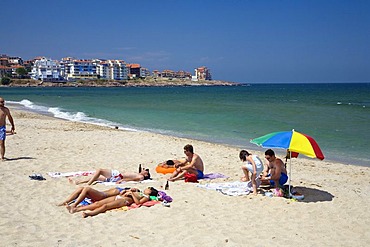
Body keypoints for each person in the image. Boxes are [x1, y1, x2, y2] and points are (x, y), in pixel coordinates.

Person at [68, 187, 158, 218]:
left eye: (149, 188)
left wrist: (132, 195)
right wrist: (127, 191)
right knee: (97, 204)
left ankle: (90, 214)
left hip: (124, 201)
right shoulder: (140, 191)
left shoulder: (146, 197)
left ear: (150, 192)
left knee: (105, 206)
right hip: (119, 196)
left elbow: (138, 203)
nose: (147, 188)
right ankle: (76, 209)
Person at [57, 186, 140, 208]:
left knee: (86, 189)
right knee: (81, 188)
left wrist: (129, 192)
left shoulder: (124, 193)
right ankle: (66, 201)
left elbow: (120, 197)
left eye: (135, 190)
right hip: (100, 193)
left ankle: (75, 205)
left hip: (102, 196)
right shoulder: (123, 189)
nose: (133, 189)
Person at [68, 168, 151, 185]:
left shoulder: (141, 177)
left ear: (146, 174)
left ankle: (89, 183)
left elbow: (133, 179)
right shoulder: (139, 174)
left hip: (117, 176)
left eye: (145, 170)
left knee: (99, 170)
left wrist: (122, 180)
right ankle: (78, 182)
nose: (143, 170)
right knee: (96, 177)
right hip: (117, 176)